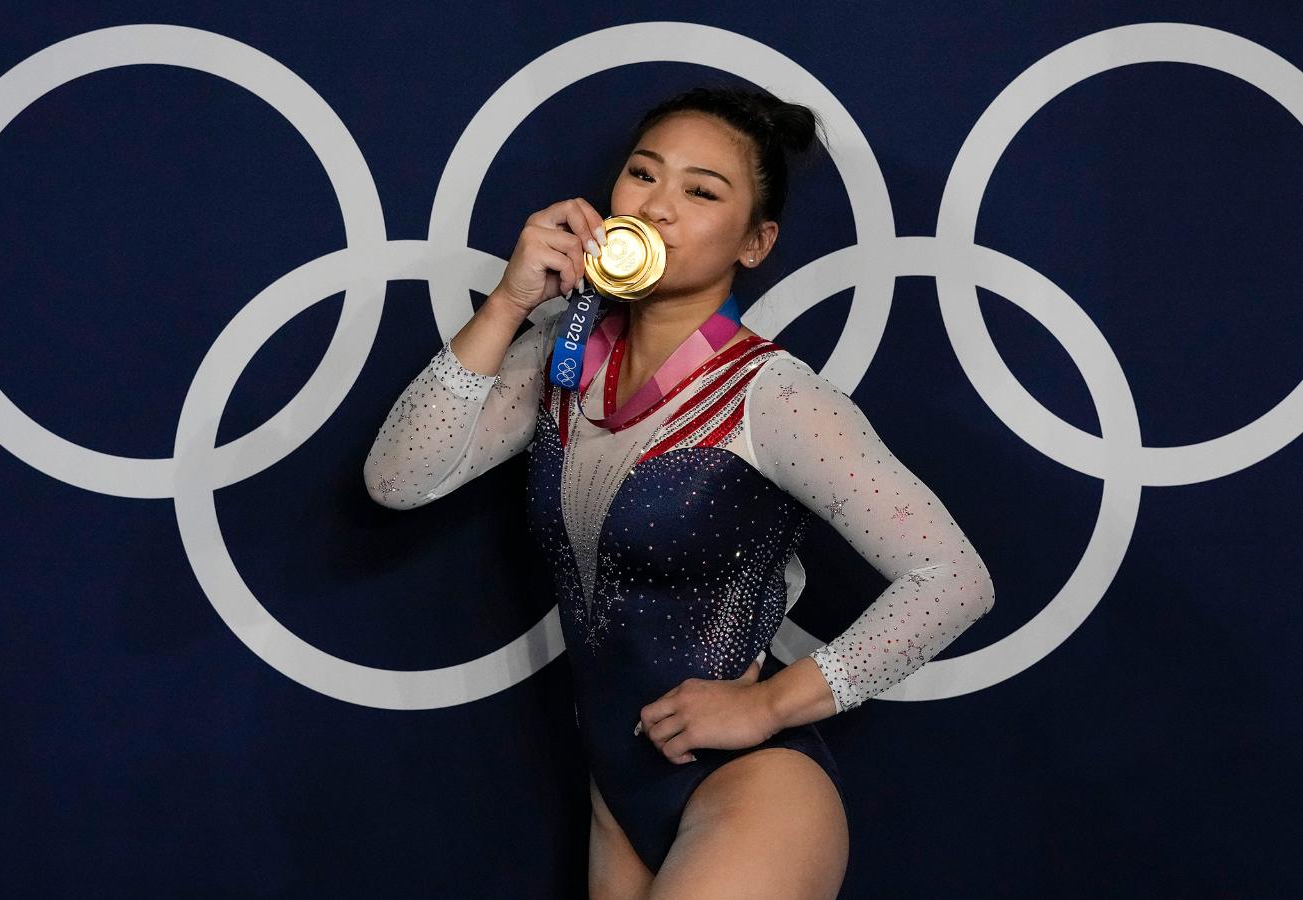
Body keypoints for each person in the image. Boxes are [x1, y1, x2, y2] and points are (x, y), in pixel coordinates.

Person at [364, 84, 995, 900]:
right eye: (642, 175)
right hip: (618, 800)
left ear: (756, 243)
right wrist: (515, 299)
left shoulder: (770, 395)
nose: (658, 206)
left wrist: (771, 707)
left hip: (750, 793)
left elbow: (953, 578)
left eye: (702, 191)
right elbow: (397, 479)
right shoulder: (565, 355)